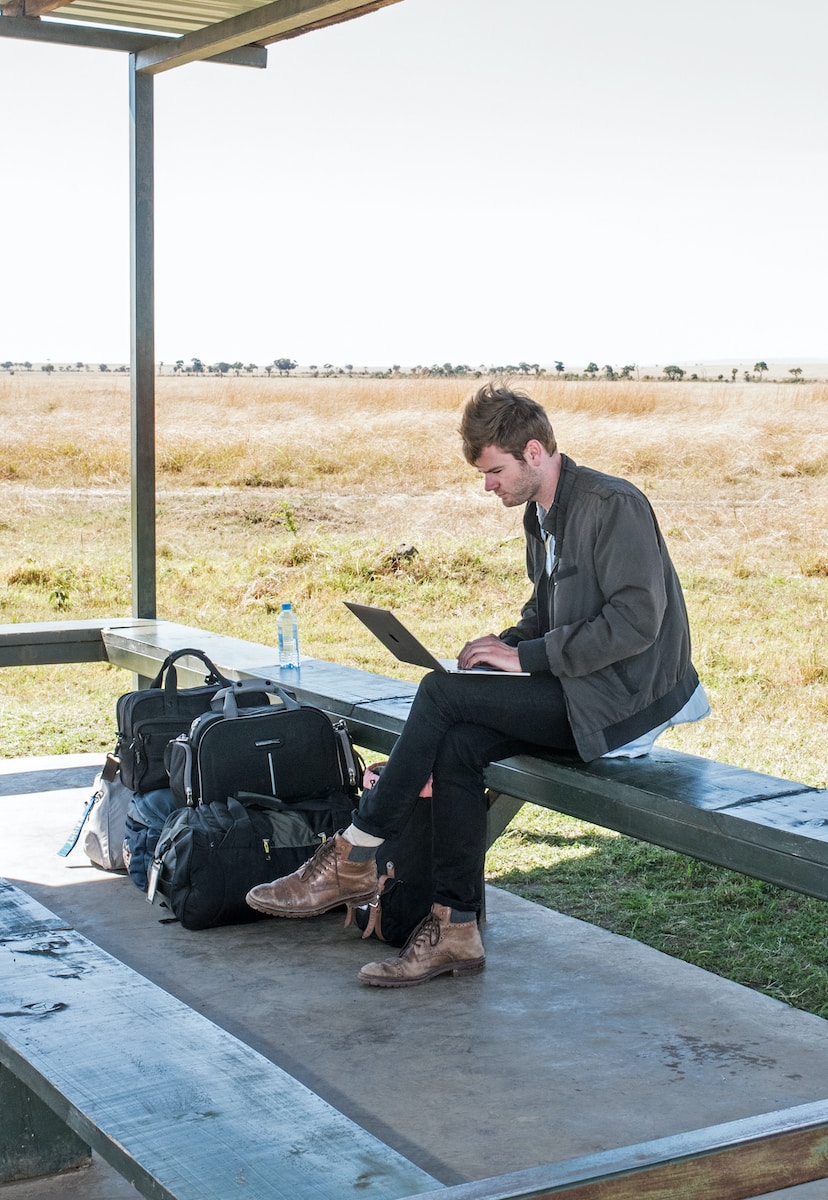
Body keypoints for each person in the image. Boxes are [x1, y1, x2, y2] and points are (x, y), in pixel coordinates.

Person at [246, 383, 708, 987]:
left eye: (494, 471)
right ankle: (456, 929)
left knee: (440, 696)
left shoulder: (611, 504)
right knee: (458, 740)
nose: (487, 485)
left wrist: (527, 658)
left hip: (624, 703)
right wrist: (504, 647)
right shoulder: (542, 515)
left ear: (534, 452)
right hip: (578, 690)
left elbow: (636, 623)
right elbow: (548, 615)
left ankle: (352, 856)